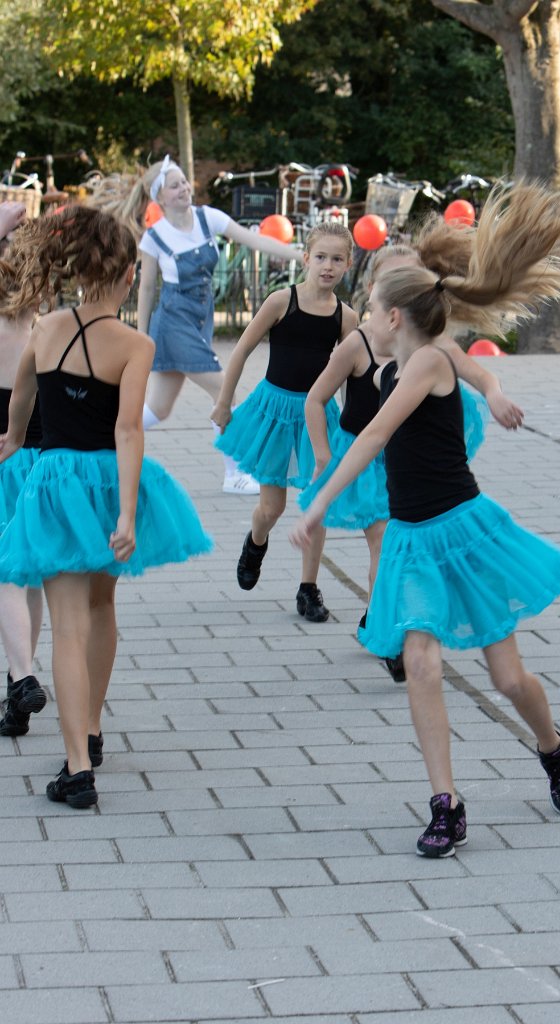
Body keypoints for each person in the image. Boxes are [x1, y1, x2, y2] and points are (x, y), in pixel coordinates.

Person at [291, 182, 560, 857]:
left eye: (370, 307)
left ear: (396, 316)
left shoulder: (425, 360)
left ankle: (553, 749)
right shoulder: (398, 359)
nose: (364, 315)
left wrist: (315, 505)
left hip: (463, 532)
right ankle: (445, 805)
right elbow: (377, 417)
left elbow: (370, 441)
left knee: (508, 679)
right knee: (420, 662)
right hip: (411, 537)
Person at [0, 207, 213, 809]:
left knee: (68, 624)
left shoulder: (45, 329)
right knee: (102, 603)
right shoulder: (135, 344)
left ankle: (76, 768)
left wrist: (14, 441)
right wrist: (124, 513)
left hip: (56, 479)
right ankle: (90, 733)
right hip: (105, 481)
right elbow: (127, 431)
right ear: (124, 276)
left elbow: (22, 394)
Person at [299, 242, 524, 680]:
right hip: (368, 458)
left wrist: (494, 393)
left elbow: (480, 373)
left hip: (412, 461)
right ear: (377, 296)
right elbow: (318, 399)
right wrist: (324, 456)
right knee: (382, 542)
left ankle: (390, 620)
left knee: (404, 549)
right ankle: (392, 630)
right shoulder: (357, 344)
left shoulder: (434, 347)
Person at [211, 221, 357, 622]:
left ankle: (308, 588)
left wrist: (351, 423)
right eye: (321, 257)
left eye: (337, 259)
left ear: (348, 264)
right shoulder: (281, 301)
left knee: (317, 504)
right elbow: (241, 350)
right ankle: (255, 542)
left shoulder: (346, 317)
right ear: (306, 258)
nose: (328, 266)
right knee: (271, 507)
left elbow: (351, 372)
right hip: (273, 412)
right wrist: (225, 403)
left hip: (317, 416)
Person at [136, 156, 304, 495]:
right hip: (172, 324)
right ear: (160, 198)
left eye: (184, 181)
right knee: (222, 389)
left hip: (200, 322)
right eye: (174, 185)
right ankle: (235, 474)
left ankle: (98, 436)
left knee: (159, 409)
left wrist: (299, 255)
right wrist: (141, 338)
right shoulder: (154, 238)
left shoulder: (206, 218)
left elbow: (253, 240)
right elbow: (147, 288)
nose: (183, 188)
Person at [0, 201, 47, 737]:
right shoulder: (41, 323)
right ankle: (21, 684)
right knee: (27, 575)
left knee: (7, 571)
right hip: (40, 457)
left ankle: (22, 675)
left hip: (6, 457)